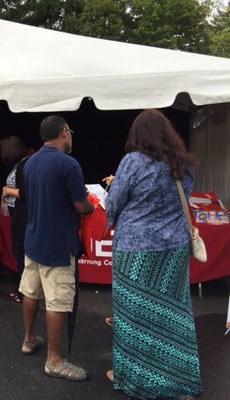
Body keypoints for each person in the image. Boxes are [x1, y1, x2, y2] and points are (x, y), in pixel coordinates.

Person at [105, 109, 201, 399]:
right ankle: (178, 380)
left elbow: (113, 205)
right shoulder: (184, 164)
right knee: (174, 312)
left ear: (137, 135)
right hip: (174, 249)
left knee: (134, 314)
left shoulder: (133, 162)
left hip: (136, 250)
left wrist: (112, 190)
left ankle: (135, 378)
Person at [21, 115, 94, 381]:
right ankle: (54, 360)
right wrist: (92, 205)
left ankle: (29, 339)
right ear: (64, 132)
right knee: (57, 301)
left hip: (33, 238)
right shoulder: (68, 164)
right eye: (70, 132)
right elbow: (81, 205)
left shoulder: (29, 163)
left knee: (30, 291)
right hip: (58, 244)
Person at [0, 135, 30, 303]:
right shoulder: (19, 166)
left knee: (22, 251)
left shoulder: (24, 166)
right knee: (18, 251)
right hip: (17, 214)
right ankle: (20, 288)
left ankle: (23, 291)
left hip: (22, 215)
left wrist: (8, 191)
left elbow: (26, 193)